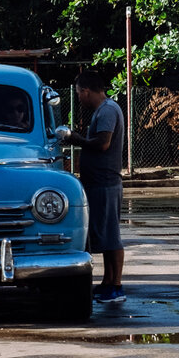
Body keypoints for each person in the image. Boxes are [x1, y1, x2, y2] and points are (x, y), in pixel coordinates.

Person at [64, 71, 126, 303]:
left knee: (111, 236)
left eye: (79, 93)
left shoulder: (108, 110)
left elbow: (103, 143)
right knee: (104, 233)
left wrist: (76, 139)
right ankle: (107, 282)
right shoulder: (104, 109)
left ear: (87, 91)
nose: (79, 97)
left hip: (105, 182)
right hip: (100, 181)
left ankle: (116, 285)